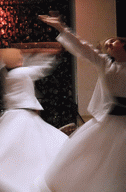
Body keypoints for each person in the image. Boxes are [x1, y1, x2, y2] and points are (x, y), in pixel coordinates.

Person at [38, 13, 126, 192]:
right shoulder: (105, 64)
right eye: (107, 43)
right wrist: (62, 28)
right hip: (110, 121)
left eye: (113, 41)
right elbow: (82, 47)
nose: (108, 44)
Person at [0, 48, 68, 192]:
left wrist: (2, 57)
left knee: (8, 150)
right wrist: (50, 55)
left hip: (12, 115)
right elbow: (41, 69)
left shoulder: (7, 74)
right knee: (40, 147)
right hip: (24, 116)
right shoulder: (22, 73)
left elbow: (3, 64)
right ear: (18, 61)